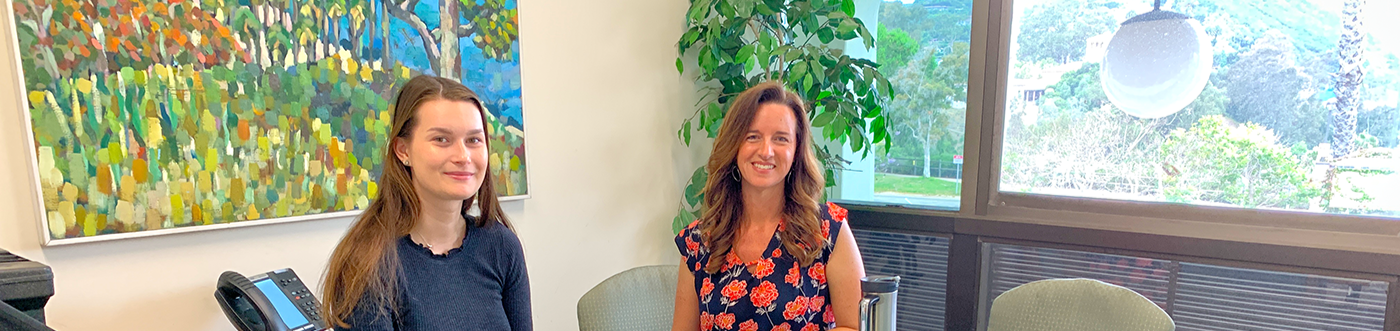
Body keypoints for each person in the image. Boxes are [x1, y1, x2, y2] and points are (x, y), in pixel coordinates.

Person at [320, 75, 531, 331]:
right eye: (441, 139)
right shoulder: (369, 262)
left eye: (474, 140)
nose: (463, 156)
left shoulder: (501, 246)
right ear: (403, 150)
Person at [672, 82, 865, 331]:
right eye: (752, 136)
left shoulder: (828, 230)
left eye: (781, 139)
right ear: (734, 146)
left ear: (796, 151)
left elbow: (855, 326)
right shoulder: (698, 241)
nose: (766, 151)